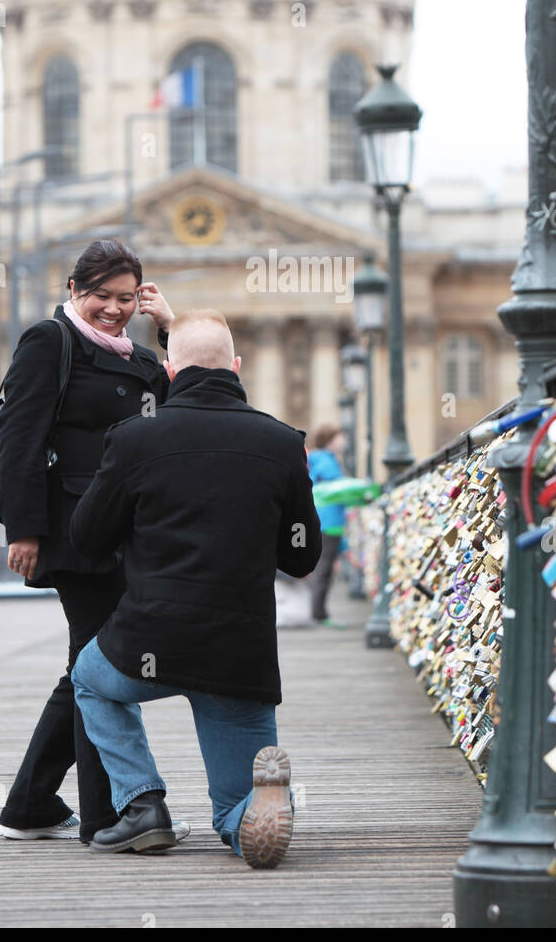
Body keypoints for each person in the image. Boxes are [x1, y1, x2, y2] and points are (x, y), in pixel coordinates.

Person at [69, 308, 322, 868]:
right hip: (240, 651)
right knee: (235, 798)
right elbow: (302, 557)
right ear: (236, 366)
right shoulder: (281, 444)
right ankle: (253, 815)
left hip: (147, 642)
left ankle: (142, 805)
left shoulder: (134, 439)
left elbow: (87, 537)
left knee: (88, 681)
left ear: (168, 369)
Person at [0, 238, 174, 844]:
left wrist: (170, 329)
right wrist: (23, 530)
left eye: (127, 298)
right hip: (74, 530)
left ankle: (30, 803)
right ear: (74, 290)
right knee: (99, 662)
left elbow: (183, 407)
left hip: (130, 530)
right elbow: (19, 438)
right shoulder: (51, 342)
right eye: (102, 296)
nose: (114, 309)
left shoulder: (142, 359)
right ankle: (105, 814)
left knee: (88, 666)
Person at [307, 424, 349, 627]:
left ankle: (319, 612)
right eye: (340, 437)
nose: (344, 441)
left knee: (324, 568)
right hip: (328, 521)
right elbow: (337, 489)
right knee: (324, 568)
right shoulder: (326, 461)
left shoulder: (322, 459)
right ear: (330, 440)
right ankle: (318, 614)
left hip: (328, 520)